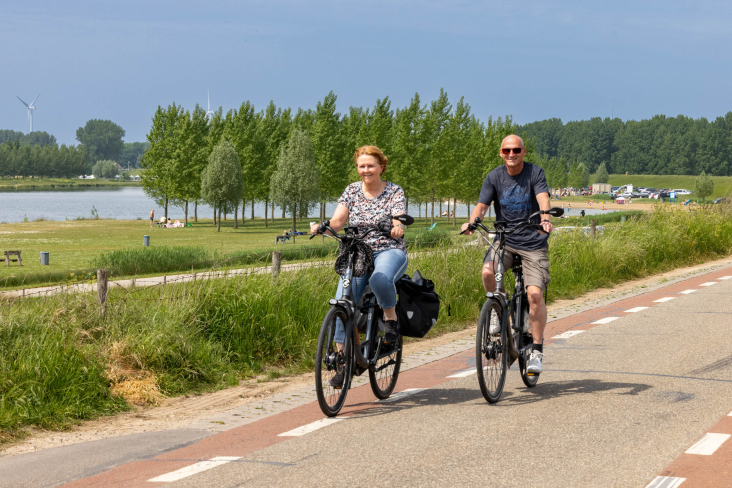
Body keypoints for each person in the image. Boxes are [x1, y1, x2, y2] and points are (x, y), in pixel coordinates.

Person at [311, 145, 408, 388]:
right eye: (361, 166)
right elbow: (338, 220)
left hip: (389, 248)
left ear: (381, 167)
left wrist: (397, 226)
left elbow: (398, 218)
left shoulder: (394, 191)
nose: (366, 170)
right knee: (342, 302)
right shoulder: (352, 191)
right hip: (357, 251)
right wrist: (323, 227)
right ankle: (343, 363)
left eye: (370, 165)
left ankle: (391, 321)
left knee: (379, 279)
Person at [461, 135, 553, 374]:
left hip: (533, 241)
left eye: (515, 150)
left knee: (534, 295)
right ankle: (496, 309)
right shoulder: (494, 176)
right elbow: (482, 206)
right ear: (501, 153)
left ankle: (536, 350)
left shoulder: (535, 173)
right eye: (506, 150)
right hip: (505, 241)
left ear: (524, 151)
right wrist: (472, 223)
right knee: (488, 271)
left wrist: (545, 219)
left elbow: (543, 198)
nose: (511, 154)